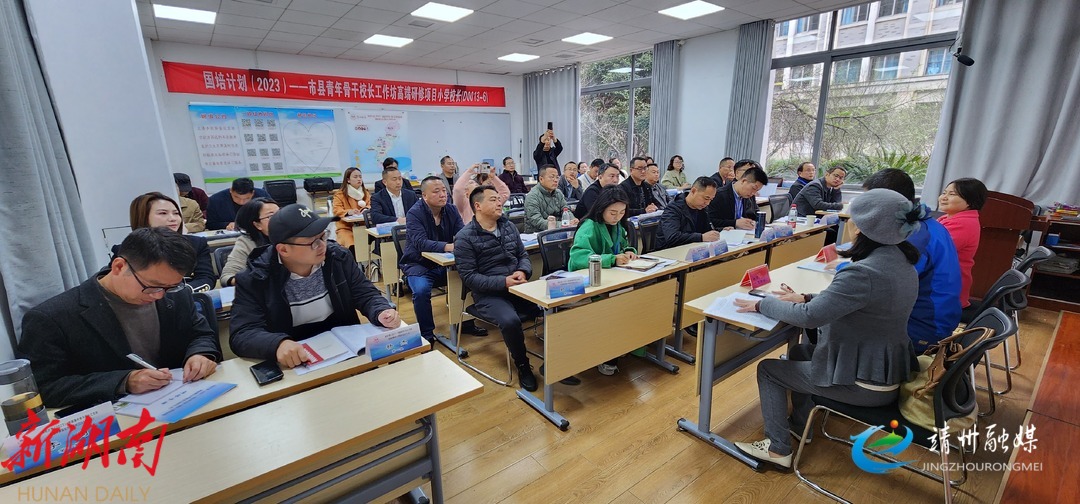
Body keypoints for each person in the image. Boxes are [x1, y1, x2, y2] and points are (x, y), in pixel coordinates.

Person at [731, 189, 922, 469]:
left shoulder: (862, 272)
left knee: (768, 370)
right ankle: (800, 425)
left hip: (863, 383)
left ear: (861, 227)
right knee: (800, 351)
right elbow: (857, 301)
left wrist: (763, 304)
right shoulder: (902, 263)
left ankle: (777, 449)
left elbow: (809, 318)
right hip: (882, 370)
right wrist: (806, 297)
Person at [19, 227, 221, 407]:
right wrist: (124, 381)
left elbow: (200, 334)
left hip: (184, 402)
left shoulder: (176, 294)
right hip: (114, 422)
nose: (160, 295)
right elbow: (45, 387)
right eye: (152, 286)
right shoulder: (51, 318)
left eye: (170, 286)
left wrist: (200, 354)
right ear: (118, 267)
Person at [229, 204, 399, 367]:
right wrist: (278, 344)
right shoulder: (256, 278)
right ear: (283, 250)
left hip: (346, 348)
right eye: (312, 242)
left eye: (322, 237)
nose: (322, 246)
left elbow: (364, 293)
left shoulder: (338, 258)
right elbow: (243, 333)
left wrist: (380, 310)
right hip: (296, 357)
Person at [454, 186, 543, 391]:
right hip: (489, 295)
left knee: (551, 305)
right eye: (493, 200)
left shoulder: (508, 226)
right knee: (510, 321)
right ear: (478, 206)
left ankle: (557, 359)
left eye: (499, 199)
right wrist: (503, 282)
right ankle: (522, 365)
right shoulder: (464, 237)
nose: (499, 203)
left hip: (517, 286)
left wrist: (522, 271)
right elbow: (469, 277)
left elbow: (523, 255)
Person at [862, 169, 961, 351]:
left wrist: (848, 267)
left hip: (922, 329)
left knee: (838, 319)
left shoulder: (914, 236)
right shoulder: (924, 224)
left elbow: (882, 285)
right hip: (935, 317)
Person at [399, 177, 487, 341]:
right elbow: (420, 243)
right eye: (436, 191)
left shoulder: (451, 209)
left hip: (445, 263)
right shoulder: (414, 213)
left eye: (444, 191)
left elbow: (462, 233)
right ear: (424, 196)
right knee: (421, 291)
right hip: (419, 265)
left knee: (469, 278)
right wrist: (448, 246)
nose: (442, 194)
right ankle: (427, 334)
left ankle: (465, 323)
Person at [121, 192, 217, 292]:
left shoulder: (196, 244)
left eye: (176, 213)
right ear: (143, 216)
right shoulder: (129, 249)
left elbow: (206, 278)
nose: (173, 219)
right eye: (163, 213)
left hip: (187, 296)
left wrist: (181, 293)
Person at [937, 177, 988, 315]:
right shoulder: (950, 217)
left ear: (970, 201)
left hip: (946, 290)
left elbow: (933, 252)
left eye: (952, 194)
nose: (943, 197)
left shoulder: (961, 224)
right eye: (944, 192)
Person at [220, 197, 278, 287]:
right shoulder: (247, 242)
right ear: (257, 224)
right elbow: (227, 277)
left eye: (280, 213)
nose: (280, 219)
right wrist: (253, 281)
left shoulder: (294, 237)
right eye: (271, 216)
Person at [656, 177, 721, 249]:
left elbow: (707, 230)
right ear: (693, 191)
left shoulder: (702, 208)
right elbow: (672, 237)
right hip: (670, 251)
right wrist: (701, 237)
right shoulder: (673, 209)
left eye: (711, 199)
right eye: (706, 198)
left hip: (693, 249)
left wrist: (720, 230)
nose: (707, 203)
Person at [524, 164, 578, 233]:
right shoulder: (532, 196)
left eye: (557, 177)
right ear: (541, 179)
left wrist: (573, 220)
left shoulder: (558, 193)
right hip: (537, 233)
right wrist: (563, 224)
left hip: (559, 230)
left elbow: (565, 210)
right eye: (552, 177)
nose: (555, 180)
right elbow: (537, 221)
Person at [206, 177, 271, 230]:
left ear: (253, 193)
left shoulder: (262, 196)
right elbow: (210, 224)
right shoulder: (216, 200)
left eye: (247, 198)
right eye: (236, 197)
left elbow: (273, 216)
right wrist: (226, 224)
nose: (241, 202)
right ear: (231, 190)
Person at [332, 167, 370, 252]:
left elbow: (371, 205)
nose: (359, 179)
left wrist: (365, 209)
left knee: (373, 240)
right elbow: (336, 210)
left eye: (360, 177)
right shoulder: (340, 194)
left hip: (364, 226)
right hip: (346, 228)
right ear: (348, 180)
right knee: (351, 243)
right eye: (355, 177)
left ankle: (369, 260)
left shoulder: (366, 193)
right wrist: (348, 212)